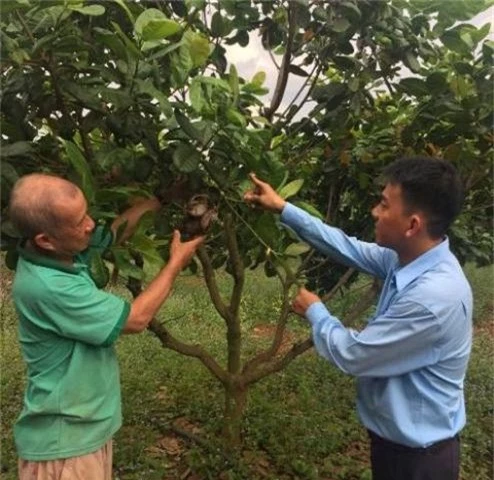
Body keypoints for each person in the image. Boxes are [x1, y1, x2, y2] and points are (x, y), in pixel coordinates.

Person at [244, 157, 472, 480]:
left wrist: (315, 310)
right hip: (397, 447)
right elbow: (347, 247)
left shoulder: (432, 299)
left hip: (419, 462)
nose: (374, 212)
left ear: (413, 225)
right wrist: (283, 209)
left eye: (383, 204)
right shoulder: (407, 259)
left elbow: (355, 354)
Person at [9, 173, 204, 480]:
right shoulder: (49, 286)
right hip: (65, 445)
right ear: (45, 240)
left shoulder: (58, 252)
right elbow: (136, 319)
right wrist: (175, 263)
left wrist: (159, 201)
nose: (90, 225)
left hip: (82, 431)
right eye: (78, 223)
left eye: (86, 213)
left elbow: (111, 235)